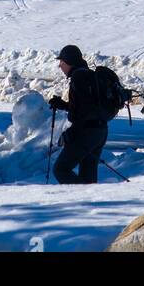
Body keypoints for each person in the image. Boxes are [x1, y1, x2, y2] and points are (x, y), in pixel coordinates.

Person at [49, 44, 108, 185]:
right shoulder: (88, 75)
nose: (59, 66)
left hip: (87, 132)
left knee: (60, 169)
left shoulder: (79, 78)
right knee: (88, 177)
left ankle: (83, 195)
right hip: (100, 130)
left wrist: (73, 132)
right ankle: (90, 203)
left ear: (69, 61)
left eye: (61, 62)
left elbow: (84, 111)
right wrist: (64, 105)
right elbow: (85, 106)